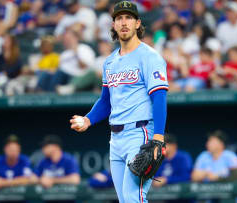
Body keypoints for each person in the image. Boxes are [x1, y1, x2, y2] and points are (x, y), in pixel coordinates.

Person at [70, 1, 168, 202]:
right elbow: (106, 101)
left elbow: (159, 98)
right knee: (125, 200)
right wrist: (88, 120)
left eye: (129, 18)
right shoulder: (110, 62)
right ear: (114, 25)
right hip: (115, 139)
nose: (124, 22)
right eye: (119, 18)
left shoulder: (150, 57)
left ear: (138, 23)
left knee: (133, 198)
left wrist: (158, 137)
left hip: (140, 134)